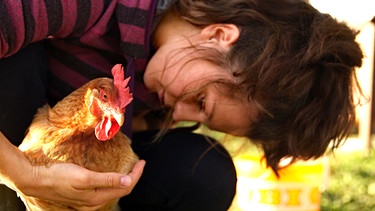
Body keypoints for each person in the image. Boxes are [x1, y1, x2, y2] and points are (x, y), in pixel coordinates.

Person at [0, 0, 363, 210]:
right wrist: (26, 174)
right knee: (14, 64)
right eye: (199, 101)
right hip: (14, 156)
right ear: (219, 35)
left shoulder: (168, 76)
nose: (177, 114)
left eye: (202, 117)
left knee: (205, 173)